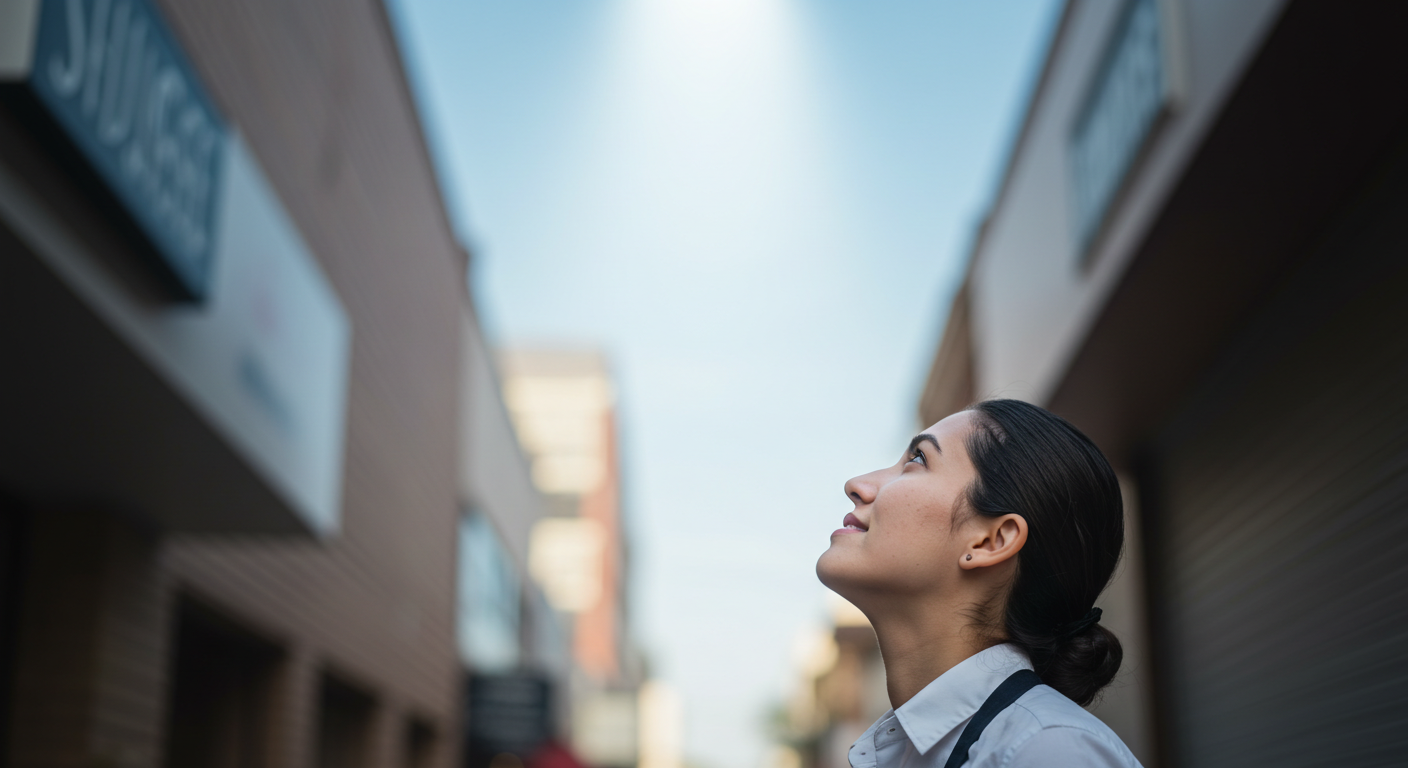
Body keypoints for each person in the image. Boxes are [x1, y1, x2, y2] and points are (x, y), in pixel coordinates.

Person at [816, 399, 1143, 768]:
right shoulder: (911, 753)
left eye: (918, 460)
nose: (856, 485)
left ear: (991, 541)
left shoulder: (1045, 751)